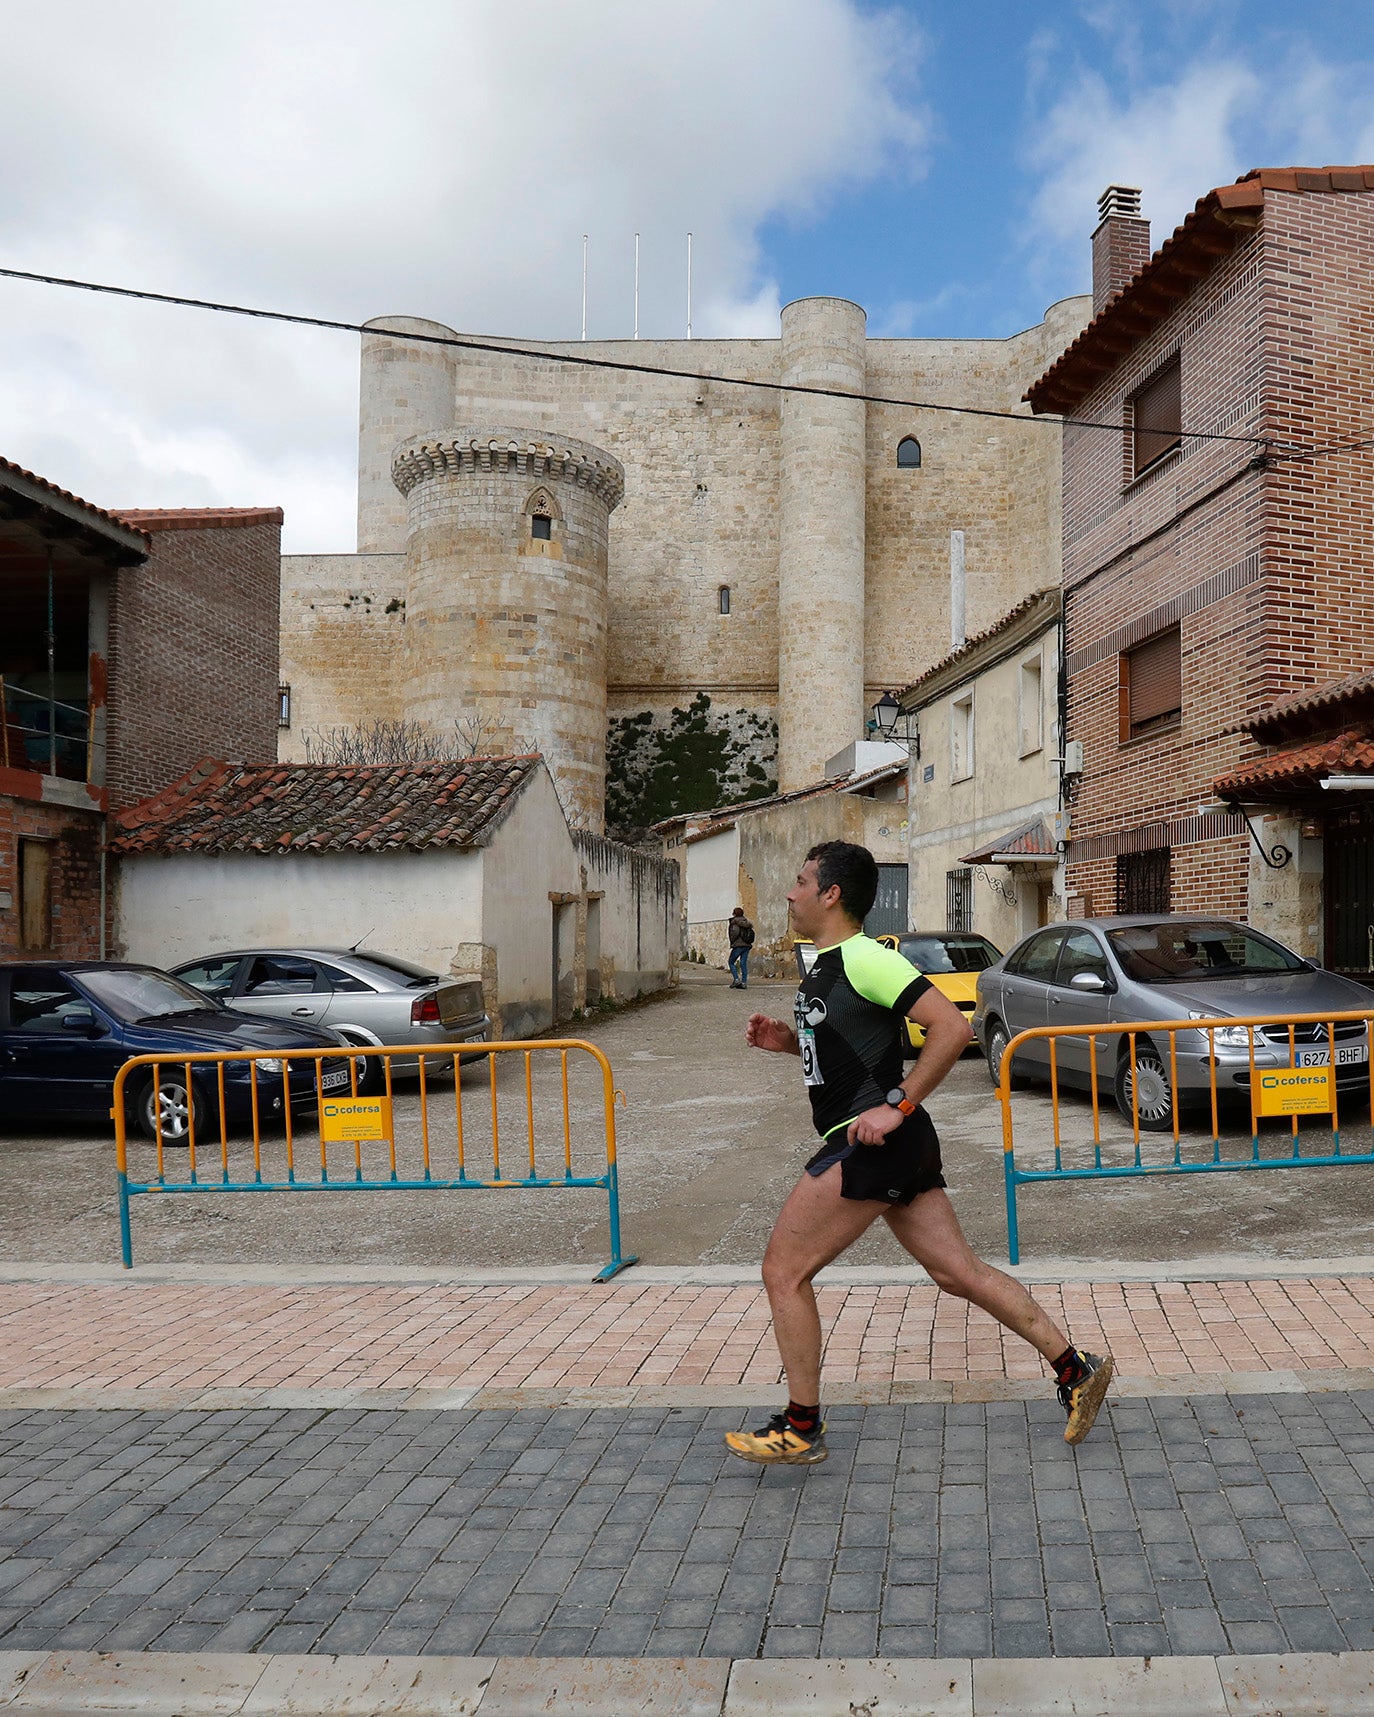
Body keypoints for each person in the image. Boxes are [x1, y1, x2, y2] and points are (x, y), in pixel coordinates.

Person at [724, 840, 1112, 1467]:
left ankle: (800, 1425)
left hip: (872, 1142)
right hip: (893, 1143)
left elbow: (951, 1027)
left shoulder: (865, 958)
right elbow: (851, 1045)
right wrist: (789, 1042)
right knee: (958, 1273)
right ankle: (1077, 1368)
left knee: (783, 1272)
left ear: (831, 894)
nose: (790, 893)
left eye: (800, 881)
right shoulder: (827, 963)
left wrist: (897, 1104)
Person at [727, 906, 755, 989]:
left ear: (734, 914)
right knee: (743, 963)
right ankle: (744, 982)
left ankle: (736, 979)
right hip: (747, 945)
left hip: (738, 945)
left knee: (731, 962)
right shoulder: (746, 922)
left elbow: (734, 933)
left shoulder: (735, 922)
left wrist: (732, 941)